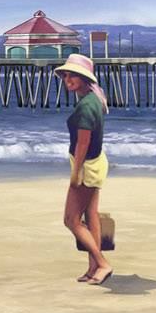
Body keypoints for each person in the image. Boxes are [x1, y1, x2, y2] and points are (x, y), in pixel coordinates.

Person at [57, 54, 113, 286]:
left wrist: (75, 173)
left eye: (72, 75)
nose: (67, 79)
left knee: (71, 220)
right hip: (95, 163)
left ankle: (101, 263)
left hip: (86, 167)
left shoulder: (86, 107)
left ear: (83, 78)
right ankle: (93, 268)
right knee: (90, 217)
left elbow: (83, 143)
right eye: (65, 75)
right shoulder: (92, 99)